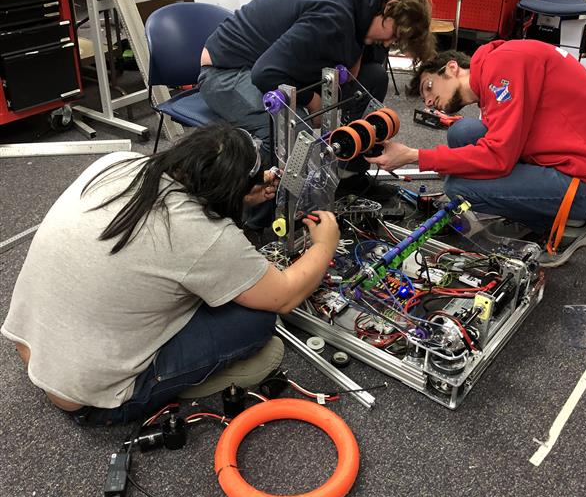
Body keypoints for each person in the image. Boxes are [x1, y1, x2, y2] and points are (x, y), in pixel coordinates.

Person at [1, 126, 341, 426]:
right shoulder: (203, 233)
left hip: (33, 348)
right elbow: (284, 296)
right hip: (92, 398)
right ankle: (163, 386)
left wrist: (239, 196)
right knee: (257, 323)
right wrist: (324, 246)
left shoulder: (117, 161)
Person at [198, 0, 433, 200]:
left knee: (373, 78)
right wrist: (312, 101)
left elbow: (356, 69)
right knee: (294, 125)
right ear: (390, 6)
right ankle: (259, 210)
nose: (388, 43)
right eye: (393, 36)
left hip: (274, 62)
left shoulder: (363, 1)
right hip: (226, 72)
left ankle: (348, 179)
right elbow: (265, 74)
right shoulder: (333, 13)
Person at [368, 40, 586, 266]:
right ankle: (536, 208)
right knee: (462, 132)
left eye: (429, 86)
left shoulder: (503, 65)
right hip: (569, 151)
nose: (429, 101)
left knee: (458, 188)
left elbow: (498, 157)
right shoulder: (495, 69)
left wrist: (415, 155)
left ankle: (563, 225)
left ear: (452, 68)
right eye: (425, 99)